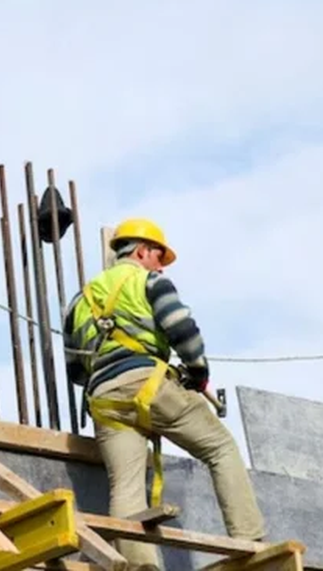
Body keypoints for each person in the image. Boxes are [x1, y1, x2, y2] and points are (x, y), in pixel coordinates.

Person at [61, 218, 265, 568]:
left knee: (124, 487)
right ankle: (250, 542)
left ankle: (141, 566)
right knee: (220, 448)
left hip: (104, 399)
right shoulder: (149, 281)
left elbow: (76, 370)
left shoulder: (79, 301)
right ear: (141, 251)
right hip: (148, 384)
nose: (160, 265)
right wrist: (198, 371)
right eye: (158, 256)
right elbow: (182, 330)